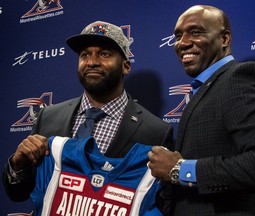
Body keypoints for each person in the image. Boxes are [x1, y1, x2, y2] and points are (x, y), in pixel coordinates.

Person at [2, 20, 173, 204]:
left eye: (104, 54)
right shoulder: (47, 117)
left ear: (125, 66)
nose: (92, 62)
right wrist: (17, 165)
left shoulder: (156, 132)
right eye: (85, 55)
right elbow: (18, 194)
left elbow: (161, 202)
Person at [148, 5, 255, 216]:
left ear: (224, 39)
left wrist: (180, 170)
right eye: (178, 35)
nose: (182, 43)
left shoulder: (241, 77)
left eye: (196, 32)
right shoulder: (207, 87)